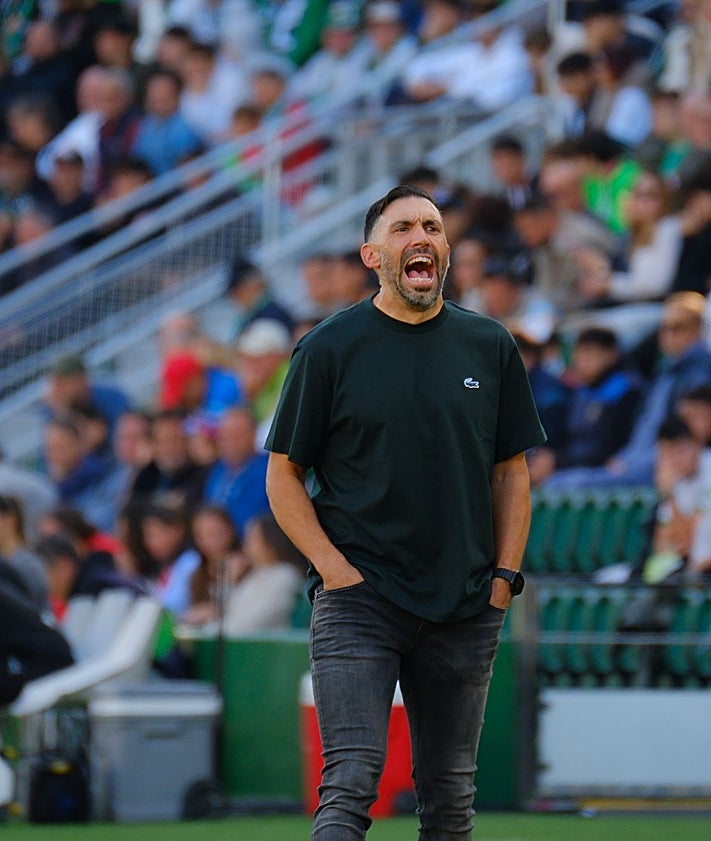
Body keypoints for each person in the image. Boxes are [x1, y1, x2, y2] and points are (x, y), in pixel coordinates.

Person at [265, 184, 545, 840]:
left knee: (449, 798)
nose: (420, 236)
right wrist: (334, 570)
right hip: (359, 598)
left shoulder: (489, 344)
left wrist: (502, 580)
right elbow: (282, 474)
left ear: (445, 251)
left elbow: (511, 472)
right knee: (351, 780)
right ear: (372, 254)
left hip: (467, 602)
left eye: (432, 226)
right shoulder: (328, 347)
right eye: (401, 228)